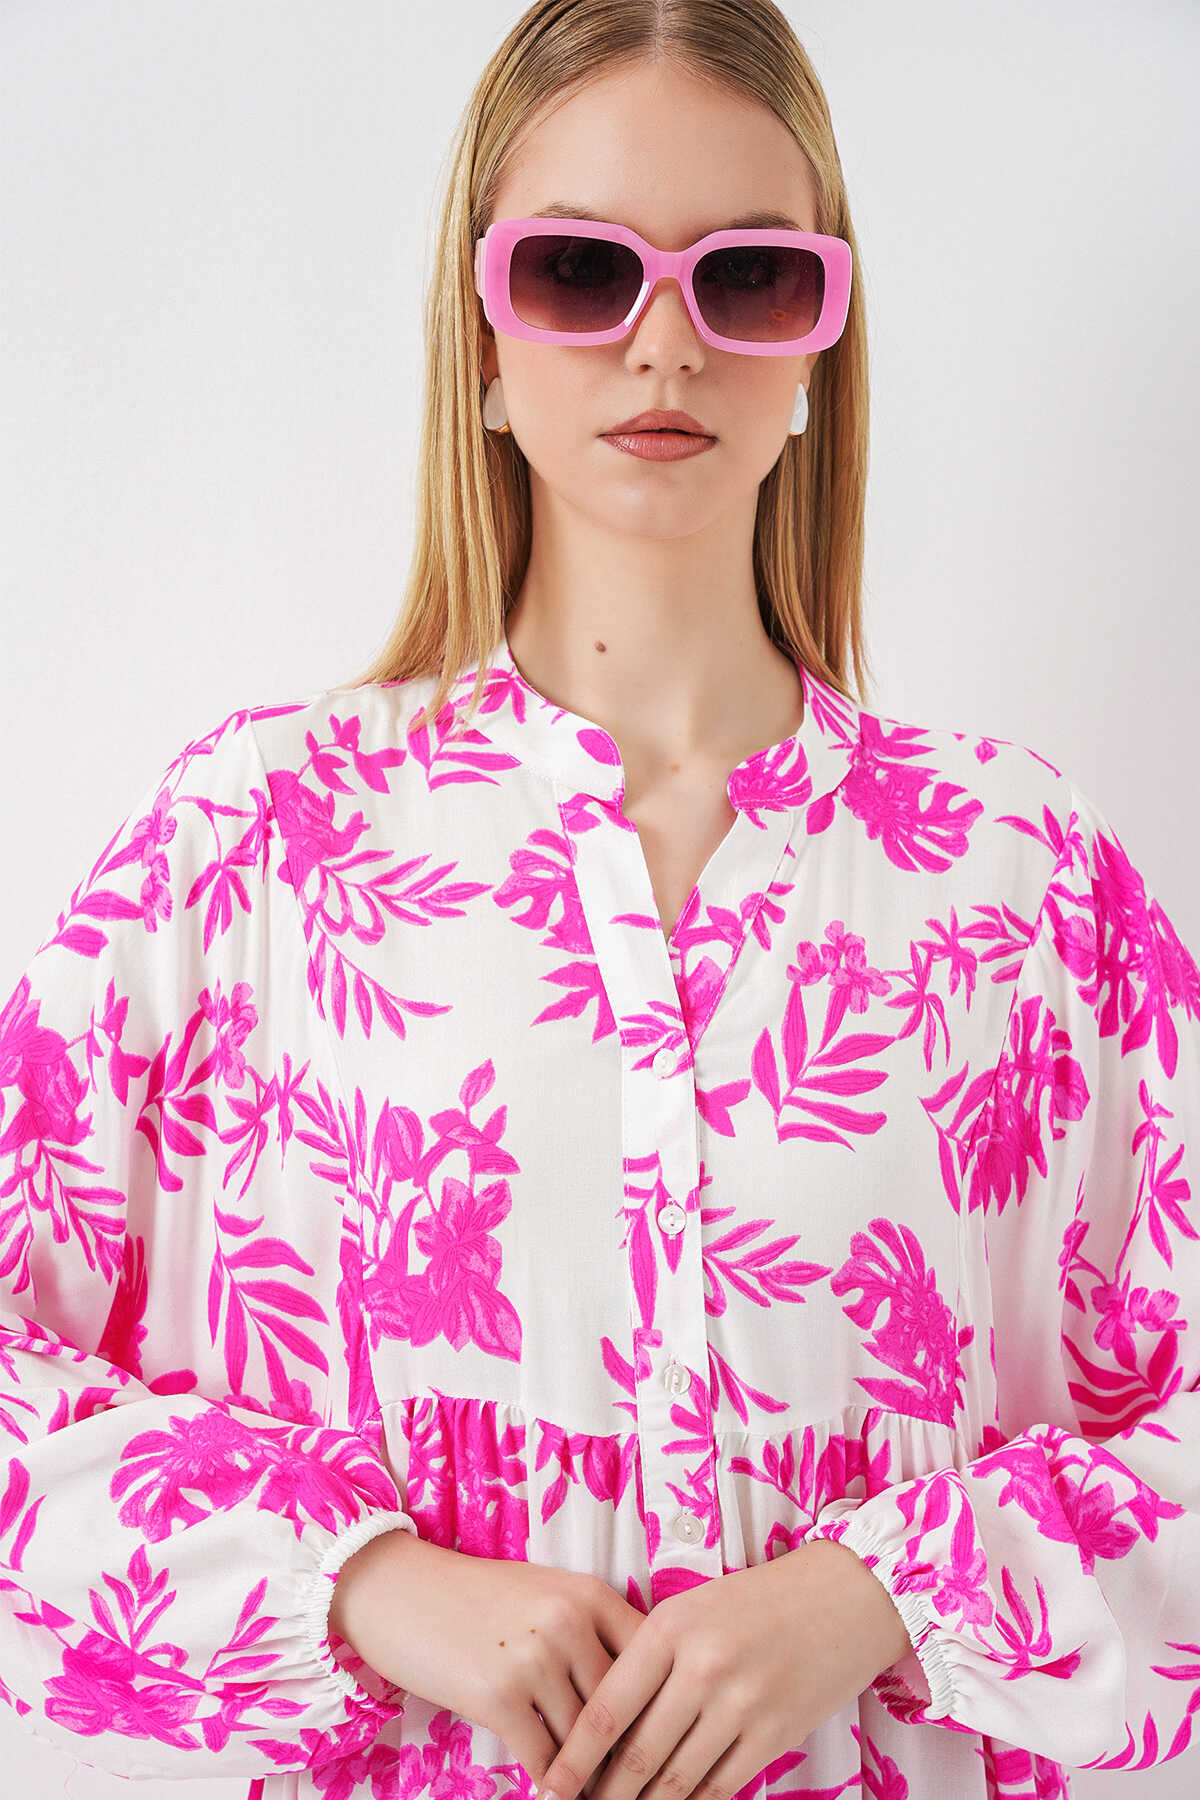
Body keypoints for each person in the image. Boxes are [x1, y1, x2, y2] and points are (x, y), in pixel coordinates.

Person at [2, 4, 1198, 1798]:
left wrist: (893, 1588)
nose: (666, 340)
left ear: (820, 345)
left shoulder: (1017, 880)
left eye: (750, 279)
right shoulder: (256, 846)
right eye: (579, 270)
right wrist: (361, 1581)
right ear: (483, 341)